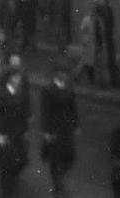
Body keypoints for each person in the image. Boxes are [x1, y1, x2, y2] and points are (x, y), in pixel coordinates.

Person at [40, 63, 79, 198]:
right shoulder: (48, 89)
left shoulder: (69, 88)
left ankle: (59, 178)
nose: (63, 75)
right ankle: (57, 186)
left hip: (67, 126)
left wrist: (76, 125)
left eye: (65, 73)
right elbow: (45, 111)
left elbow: (73, 108)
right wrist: (46, 131)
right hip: (54, 127)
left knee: (69, 157)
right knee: (54, 158)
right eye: (61, 72)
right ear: (56, 73)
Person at [0, 68, 30, 198]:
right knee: (6, 164)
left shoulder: (21, 93)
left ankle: (13, 181)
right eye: (16, 77)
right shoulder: (0, 94)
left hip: (18, 132)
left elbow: (23, 114)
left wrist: (25, 131)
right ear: (9, 79)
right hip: (5, 133)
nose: (18, 80)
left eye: (19, 77)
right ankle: (6, 191)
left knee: (21, 160)